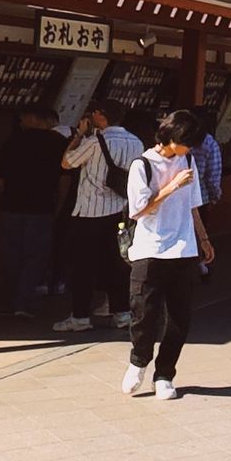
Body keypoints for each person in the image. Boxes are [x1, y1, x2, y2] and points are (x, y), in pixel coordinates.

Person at [120, 111, 210, 400]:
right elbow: (138, 210)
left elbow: (193, 205)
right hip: (150, 249)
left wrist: (204, 238)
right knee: (144, 313)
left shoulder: (188, 160)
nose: (190, 150)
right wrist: (171, 187)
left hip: (184, 249)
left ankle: (165, 374)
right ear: (172, 138)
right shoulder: (142, 165)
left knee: (180, 318)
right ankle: (138, 360)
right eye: (188, 143)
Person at [56, 103, 142, 332]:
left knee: (83, 266)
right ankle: (122, 313)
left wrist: (78, 136)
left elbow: (67, 162)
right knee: (118, 264)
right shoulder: (136, 142)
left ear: (100, 116)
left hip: (89, 211)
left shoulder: (94, 142)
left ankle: (80, 316)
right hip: (121, 210)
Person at [0, 103, 66, 316]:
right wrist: (59, 205)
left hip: (11, 206)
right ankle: (23, 302)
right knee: (36, 256)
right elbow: (65, 179)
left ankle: (10, 300)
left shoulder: (11, 142)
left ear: (34, 118)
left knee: (11, 254)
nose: (21, 123)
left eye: (24, 118)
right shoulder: (59, 143)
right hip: (42, 207)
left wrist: (9, 195)